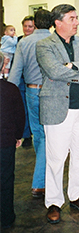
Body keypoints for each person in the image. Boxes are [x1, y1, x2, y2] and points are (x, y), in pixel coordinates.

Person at [36, 4, 79, 224]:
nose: (77, 22)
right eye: (72, 18)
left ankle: (76, 195)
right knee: (56, 158)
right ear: (58, 22)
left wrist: (71, 65)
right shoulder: (45, 45)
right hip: (56, 109)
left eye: (77, 17)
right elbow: (53, 70)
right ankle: (54, 202)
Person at [8, 9, 52, 198]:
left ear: (35, 23)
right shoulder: (55, 41)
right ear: (51, 23)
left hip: (32, 91)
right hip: (52, 93)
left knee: (38, 135)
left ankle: (42, 178)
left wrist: (8, 98)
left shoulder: (24, 42)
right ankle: (40, 182)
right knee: (47, 137)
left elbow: (15, 72)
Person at [0, 52, 25, 229]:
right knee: (6, 179)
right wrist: (18, 135)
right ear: (3, 66)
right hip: (5, 142)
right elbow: (19, 117)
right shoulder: (11, 89)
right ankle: (7, 216)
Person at [16, 15, 35, 148]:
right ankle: (26, 135)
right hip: (21, 81)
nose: (27, 29)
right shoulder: (17, 41)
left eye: (30, 26)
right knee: (23, 109)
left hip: (34, 80)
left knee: (33, 108)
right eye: (25, 26)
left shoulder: (38, 41)